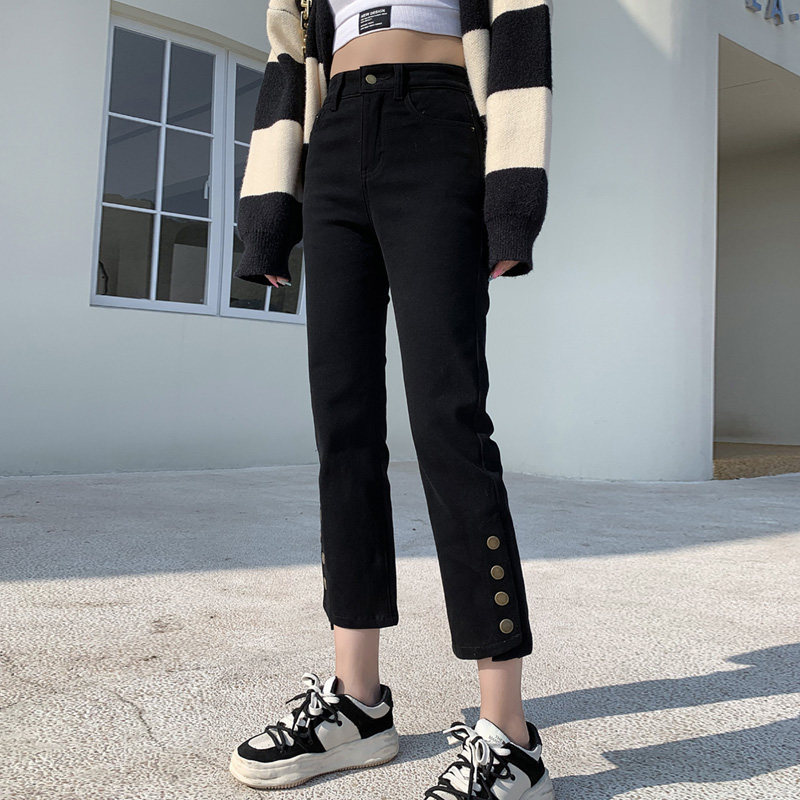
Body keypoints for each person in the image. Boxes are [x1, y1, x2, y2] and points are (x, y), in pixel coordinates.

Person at [228, 0, 554, 797]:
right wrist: (267, 213)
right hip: (335, 137)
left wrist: (511, 201)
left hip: (438, 125)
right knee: (342, 428)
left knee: (448, 422)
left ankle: (509, 736)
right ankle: (357, 703)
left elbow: (520, 32)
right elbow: (287, 60)